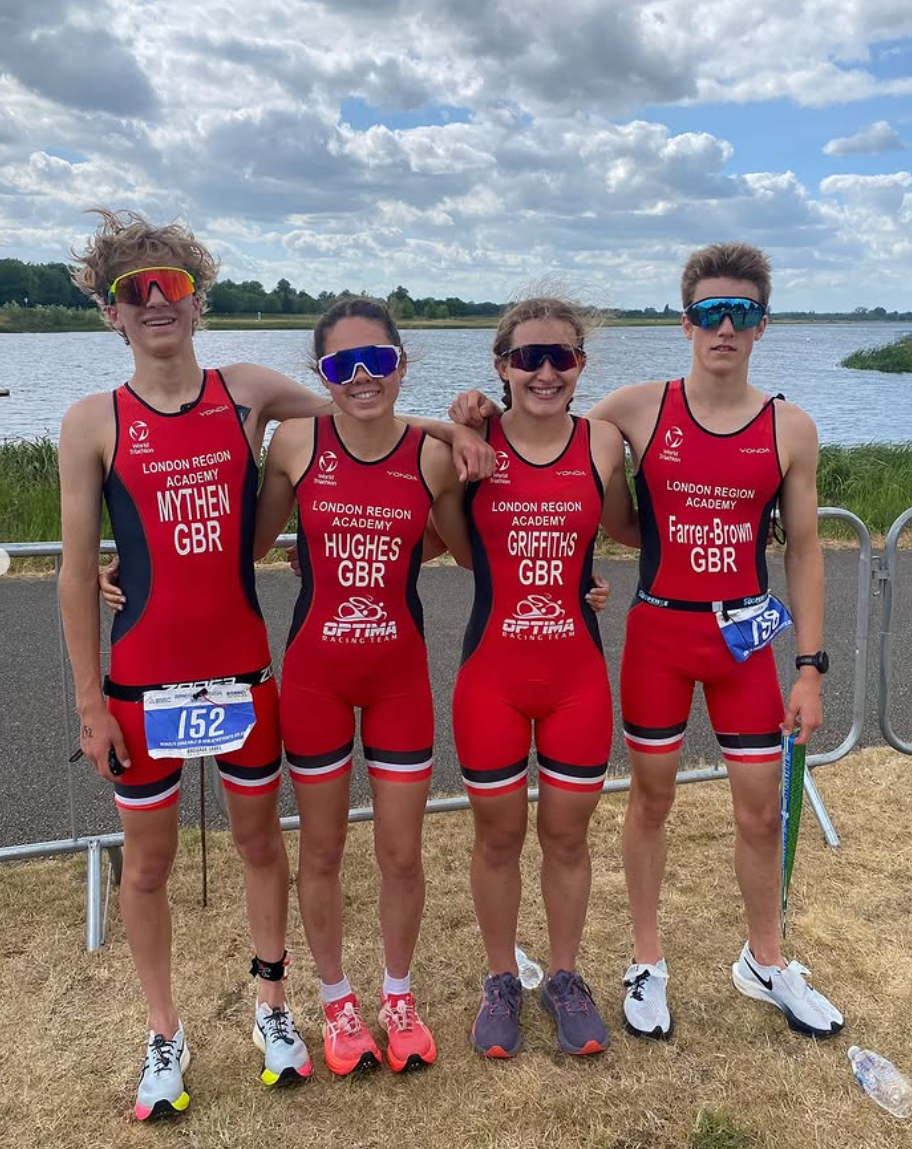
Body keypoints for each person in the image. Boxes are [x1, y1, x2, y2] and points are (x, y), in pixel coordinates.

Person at [61, 211, 486, 1119]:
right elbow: (68, 567)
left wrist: (463, 431)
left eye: (169, 283)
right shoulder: (91, 420)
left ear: (197, 297)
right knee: (147, 865)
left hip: (245, 675)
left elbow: (357, 404)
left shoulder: (246, 390)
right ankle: (164, 1031)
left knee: (261, 847)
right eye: (133, 291)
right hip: (142, 681)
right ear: (111, 315)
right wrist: (90, 701)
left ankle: (274, 1006)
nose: (153, 301)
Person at [448, 244, 844, 1043]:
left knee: (761, 812)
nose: (724, 327)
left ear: (763, 324)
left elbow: (804, 549)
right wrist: (467, 415)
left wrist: (810, 665)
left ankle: (764, 960)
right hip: (660, 630)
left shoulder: (791, 426)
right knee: (652, 801)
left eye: (741, 312)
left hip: (743, 643)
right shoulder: (631, 411)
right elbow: (546, 450)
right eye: (709, 311)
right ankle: (645, 960)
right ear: (685, 319)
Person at [249, 296, 473, 1076]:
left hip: (397, 677)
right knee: (323, 847)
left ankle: (398, 995)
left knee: (402, 851)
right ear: (323, 374)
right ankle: (338, 1002)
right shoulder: (295, 444)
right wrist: (129, 574)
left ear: (402, 363)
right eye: (344, 365)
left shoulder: (432, 454)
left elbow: (468, 546)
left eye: (377, 360)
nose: (363, 377)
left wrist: (577, 580)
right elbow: (246, 542)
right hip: (314, 675)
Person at [453, 298, 639, 1059]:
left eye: (561, 356)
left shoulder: (601, 444)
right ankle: (502, 978)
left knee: (567, 835)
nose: (546, 371)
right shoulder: (472, 440)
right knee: (498, 836)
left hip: (576, 674)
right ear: (501, 365)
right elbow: (424, 531)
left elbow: (630, 528)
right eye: (528, 357)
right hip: (491, 673)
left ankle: (564, 976)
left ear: (581, 367)